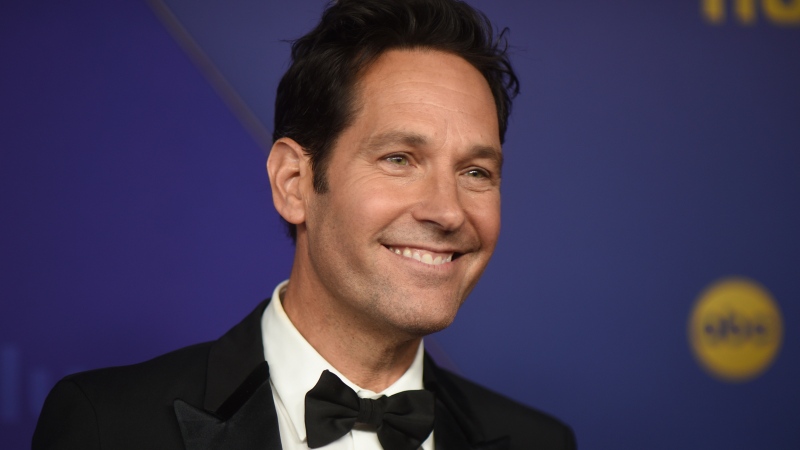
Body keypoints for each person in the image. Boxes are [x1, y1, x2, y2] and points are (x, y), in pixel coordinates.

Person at [33, 0, 576, 449]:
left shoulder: (540, 442)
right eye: (399, 159)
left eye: (476, 171)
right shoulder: (108, 426)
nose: (449, 211)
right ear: (294, 182)